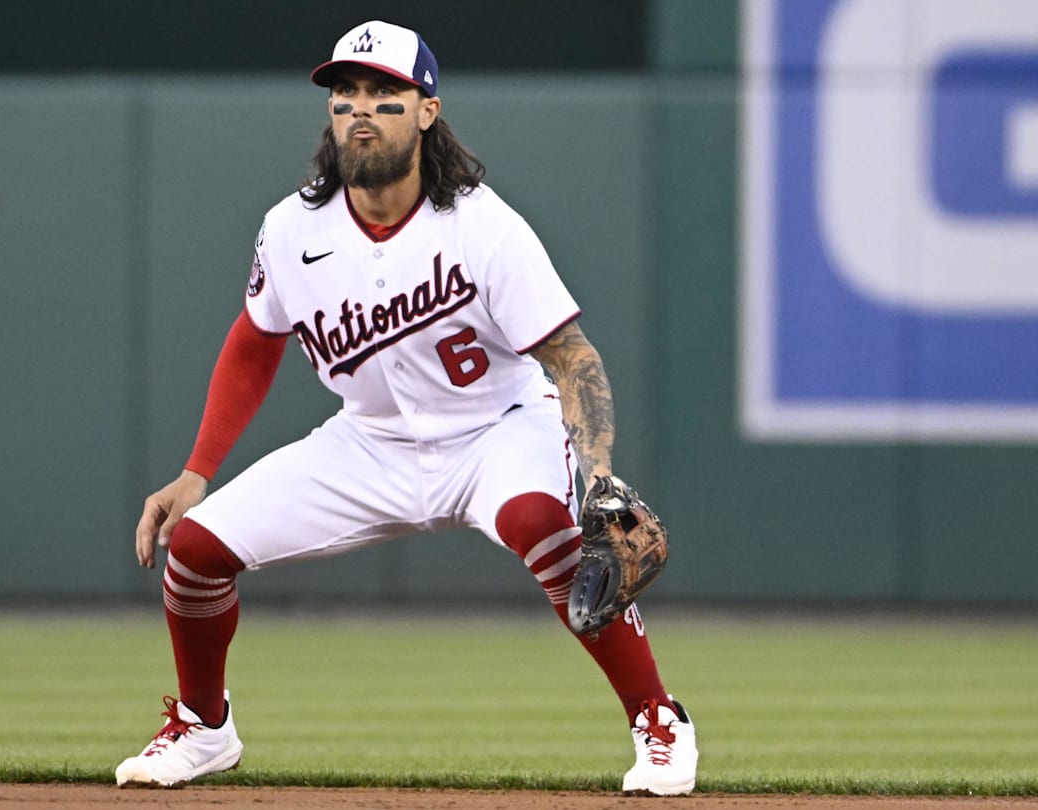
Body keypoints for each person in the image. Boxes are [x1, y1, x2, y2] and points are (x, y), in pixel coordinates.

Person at [115, 19, 698, 796]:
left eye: (384, 92)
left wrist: (595, 477)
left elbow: (572, 358)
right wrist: (198, 470)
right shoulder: (290, 229)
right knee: (194, 549)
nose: (360, 107)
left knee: (544, 525)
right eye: (345, 92)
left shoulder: (483, 226)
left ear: (427, 110)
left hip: (496, 430)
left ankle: (659, 718)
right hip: (368, 443)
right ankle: (202, 725)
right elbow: (255, 342)